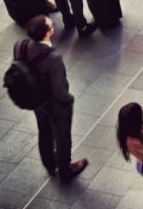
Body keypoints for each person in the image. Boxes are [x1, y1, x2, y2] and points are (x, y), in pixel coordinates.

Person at [17, 15, 89, 182]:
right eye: (51, 26)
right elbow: (59, 91)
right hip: (55, 105)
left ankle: (49, 165)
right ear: (48, 34)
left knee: (44, 131)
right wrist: (68, 100)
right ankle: (65, 170)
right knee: (62, 138)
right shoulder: (53, 58)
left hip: (35, 101)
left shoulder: (20, 46)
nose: (53, 26)